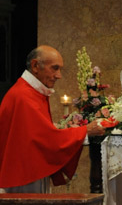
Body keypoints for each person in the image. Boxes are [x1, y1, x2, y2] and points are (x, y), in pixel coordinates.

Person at [0, 46, 104, 193]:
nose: (59, 75)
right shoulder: (23, 96)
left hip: (28, 171)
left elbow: (40, 134)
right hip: (23, 176)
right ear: (35, 66)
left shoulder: (31, 92)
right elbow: (45, 140)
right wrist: (85, 131)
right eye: (54, 68)